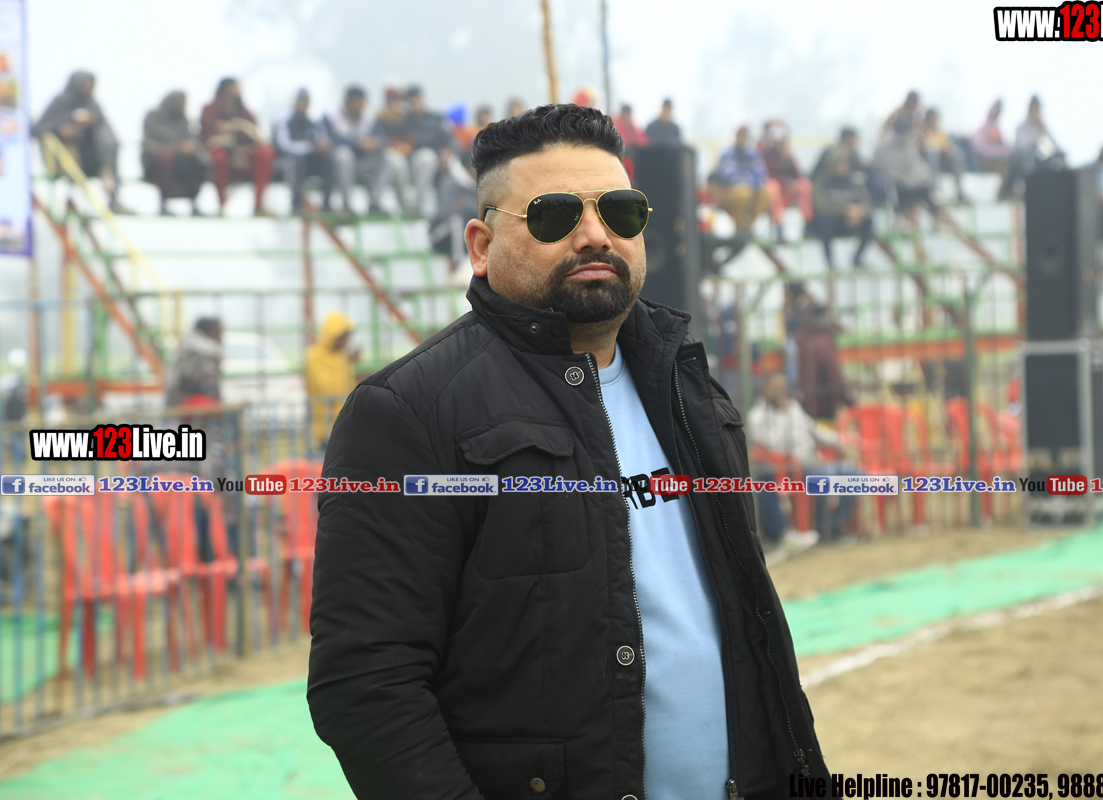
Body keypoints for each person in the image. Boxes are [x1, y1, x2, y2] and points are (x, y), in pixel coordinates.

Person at [307, 103, 829, 800]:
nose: (595, 235)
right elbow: (366, 683)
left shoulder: (690, 388)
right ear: (481, 246)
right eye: (553, 216)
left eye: (620, 212)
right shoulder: (407, 413)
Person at [747, 372, 832, 555]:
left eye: (783, 387)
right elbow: (773, 444)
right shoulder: (758, 415)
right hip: (782, 465)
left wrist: (844, 442)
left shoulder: (794, 407)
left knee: (843, 473)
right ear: (765, 389)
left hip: (809, 460)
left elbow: (814, 429)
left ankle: (829, 530)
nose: (781, 392)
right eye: (775, 388)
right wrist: (784, 414)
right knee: (816, 478)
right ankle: (787, 533)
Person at [34, 71, 128, 212]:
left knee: (105, 135)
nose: (89, 90)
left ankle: (108, 179)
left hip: (90, 157)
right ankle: (71, 198)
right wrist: (60, 130)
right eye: (87, 86)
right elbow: (38, 128)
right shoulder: (60, 102)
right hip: (64, 158)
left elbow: (105, 126)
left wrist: (92, 122)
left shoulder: (91, 104)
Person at [200, 78, 275, 215]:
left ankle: (259, 205)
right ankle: (221, 204)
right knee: (218, 156)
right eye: (234, 88)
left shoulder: (244, 112)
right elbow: (208, 139)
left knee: (265, 153)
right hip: (223, 155)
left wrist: (244, 146)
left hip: (245, 156)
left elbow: (255, 136)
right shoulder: (210, 110)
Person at [326, 85, 400, 215]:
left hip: (362, 164)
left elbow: (382, 138)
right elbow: (330, 140)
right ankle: (346, 204)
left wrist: (375, 143)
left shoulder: (368, 116)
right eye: (358, 102)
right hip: (338, 167)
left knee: (389, 160)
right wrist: (357, 143)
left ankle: (375, 202)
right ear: (349, 102)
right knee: (344, 154)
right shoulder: (332, 114)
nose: (361, 106)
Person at [810, 127, 874, 269]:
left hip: (852, 220)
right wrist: (846, 210)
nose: (842, 167)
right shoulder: (822, 181)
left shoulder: (854, 182)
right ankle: (830, 260)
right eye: (839, 164)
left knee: (869, 222)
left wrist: (859, 211)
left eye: (844, 164)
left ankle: (858, 258)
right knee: (825, 220)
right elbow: (820, 204)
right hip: (833, 222)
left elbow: (866, 202)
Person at [142, 90, 211, 216]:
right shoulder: (153, 117)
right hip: (157, 160)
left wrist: (189, 147)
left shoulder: (183, 120)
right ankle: (164, 203)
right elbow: (149, 145)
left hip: (182, 160)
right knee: (163, 160)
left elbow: (191, 138)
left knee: (200, 160)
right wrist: (173, 149)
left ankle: (194, 202)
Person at [273, 88, 335, 215]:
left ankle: (327, 202)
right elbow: (284, 145)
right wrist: (310, 147)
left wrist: (322, 146)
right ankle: (296, 203)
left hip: (309, 160)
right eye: (300, 101)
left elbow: (320, 138)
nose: (303, 104)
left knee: (329, 161)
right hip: (286, 160)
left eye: (305, 102)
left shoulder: (312, 121)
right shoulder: (284, 119)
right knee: (296, 162)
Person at [395, 85, 453, 218]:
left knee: (432, 159)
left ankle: (429, 206)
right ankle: (411, 205)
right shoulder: (404, 120)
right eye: (411, 100)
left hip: (436, 161)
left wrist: (447, 151)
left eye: (417, 99)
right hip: (410, 162)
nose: (415, 103)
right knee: (423, 158)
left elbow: (449, 139)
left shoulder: (436, 118)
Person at [304, 310, 359, 451]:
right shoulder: (314, 355)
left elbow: (348, 385)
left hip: (344, 424)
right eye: (344, 336)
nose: (346, 341)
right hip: (325, 426)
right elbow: (327, 388)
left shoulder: (341, 355)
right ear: (334, 336)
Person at [795, 303, 854, 421]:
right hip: (824, 403)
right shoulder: (823, 342)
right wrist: (850, 402)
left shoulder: (803, 338)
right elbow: (834, 375)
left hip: (807, 399)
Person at [710, 124, 771, 234]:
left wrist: (752, 185)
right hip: (730, 191)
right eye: (740, 134)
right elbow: (728, 175)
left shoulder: (753, 154)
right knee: (744, 193)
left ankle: (748, 226)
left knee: (767, 194)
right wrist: (746, 184)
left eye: (744, 135)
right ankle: (738, 227)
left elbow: (760, 173)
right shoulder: (727, 153)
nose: (742, 137)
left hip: (752, 190)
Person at [873, 116, 938, 220]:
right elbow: (880, 167)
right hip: (896, 185)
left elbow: (919, 167)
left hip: (915, 184)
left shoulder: (910, 144)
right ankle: (899, 217)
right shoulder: (884, 147)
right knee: (898, 205)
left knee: (931, 205)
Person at [760, 119, 810, 241]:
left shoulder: (787, 153)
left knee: (805, 185)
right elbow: (766, 174)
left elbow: (798, 175)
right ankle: (779, 226)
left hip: (787, 191)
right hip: (773, 191)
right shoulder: (762, 151)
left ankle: (807, 223)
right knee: (773, 186)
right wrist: (786, 182)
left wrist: (788, 157)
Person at [1007, 95, 1064, 198]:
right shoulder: (1021, 126)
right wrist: (1036, 131)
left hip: (1039, 158)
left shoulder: (1042, 125)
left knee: (1057, 159)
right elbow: (1021, 146)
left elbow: (1053, 144)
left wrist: (1061, 152)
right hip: (1024, 159)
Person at [166, 317, 223, 407]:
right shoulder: (201, 354)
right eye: (218, 331)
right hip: (192, 408)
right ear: (209, 332)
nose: (221, 336)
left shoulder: (188, 349)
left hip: (182, 407)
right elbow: (207, 389)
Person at [922, 108, 968, 204]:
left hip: (943, 159)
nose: (934, 121)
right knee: (932, 153)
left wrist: (950, 150)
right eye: (932, 118)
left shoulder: (941, 131)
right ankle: (932, 189)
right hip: (929, 160)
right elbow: (927, 146)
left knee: (957, 155)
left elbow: (947, 145)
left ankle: (959, 190)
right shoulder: (922, 131)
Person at [970, 99, 1011, 190]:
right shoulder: (983, 128)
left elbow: (1006, 146)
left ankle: (1008, 190)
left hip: (997, 160)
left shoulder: (997, 129)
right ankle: (1001, 192)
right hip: (982, 161)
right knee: (1004, 166)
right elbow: (980, 149)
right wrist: (998, 152)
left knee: (1011, 162)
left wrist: (1006, 151)